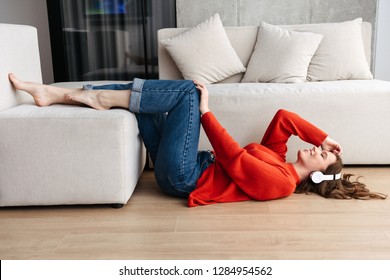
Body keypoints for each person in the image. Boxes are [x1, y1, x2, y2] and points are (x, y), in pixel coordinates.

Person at [8, 74, 387, 207]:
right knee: (147, 102)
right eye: (319, 148)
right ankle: (63, 95)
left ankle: (76, 95)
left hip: (184, 177)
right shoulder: (280, 158)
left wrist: (206, 111)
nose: (315, 150)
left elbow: (235, 158)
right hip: (183, 165)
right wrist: (327, 137)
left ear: (317, 176)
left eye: (320, 155)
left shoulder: (282, 184)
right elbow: (284, 117)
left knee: (189, 92)